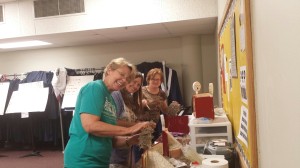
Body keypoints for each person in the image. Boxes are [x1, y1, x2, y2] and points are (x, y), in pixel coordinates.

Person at [64, 58, 155, 168]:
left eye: (127, 79)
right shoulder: (94, 88)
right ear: (109, 70)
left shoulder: (110, 100)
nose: (124, 80)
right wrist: (130, 129)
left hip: (101, 160)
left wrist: (130, 141)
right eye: (121, 74)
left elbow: (109, 138)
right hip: (84, 159)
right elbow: (90, 126)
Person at [134, 68, 180, 162]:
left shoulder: (162, 93)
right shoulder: (141, 91)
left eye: (158, 79)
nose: (155, 81)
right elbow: (135, 108)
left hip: (156, 124)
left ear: (161, 81)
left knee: (155, 149)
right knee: (142, 151)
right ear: (148, 79)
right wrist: (144, 104)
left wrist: (173, 108)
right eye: (153, 79)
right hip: (143, 126)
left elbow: (165, 110)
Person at [110, 72, 144, 168]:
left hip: (126, 148)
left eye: (138, 85)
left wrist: (139, 124)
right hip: (115, 148)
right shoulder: (116, 95)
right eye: (134, 82)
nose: (135, 86)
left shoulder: (129, 98)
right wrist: (136, 125)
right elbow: (113, 121)